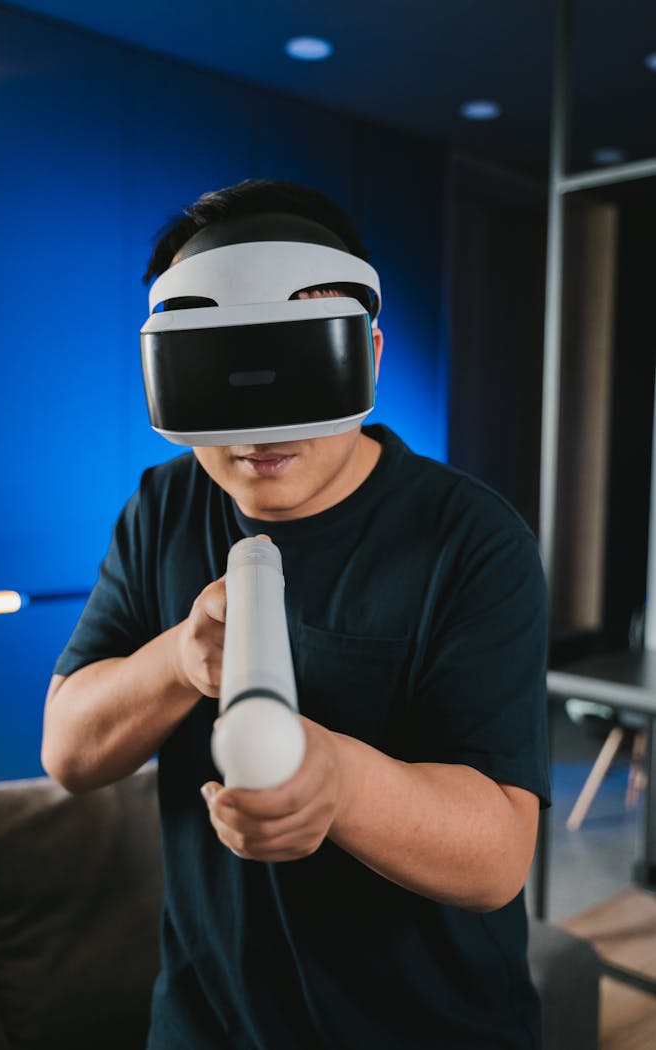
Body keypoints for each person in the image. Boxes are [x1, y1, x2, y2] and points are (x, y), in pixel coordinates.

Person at [42, 178, 551, 1050]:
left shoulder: (470, 539)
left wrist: (340, 781)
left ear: (370, 354)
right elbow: (68, 753)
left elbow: (499, 857)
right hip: (207, 1023)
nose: (257, 432)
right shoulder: (164, 506)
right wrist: (177, 662)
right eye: (222, 376)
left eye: (296, 364)